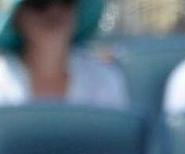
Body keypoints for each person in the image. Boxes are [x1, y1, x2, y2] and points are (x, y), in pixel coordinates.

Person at [0, 0, 129, 106]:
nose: (54, 11)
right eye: (39, 4)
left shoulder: (103, 80)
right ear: (16, 18)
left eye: (66, 1)